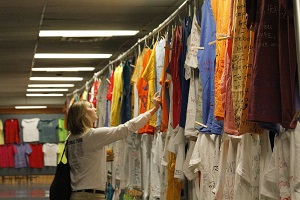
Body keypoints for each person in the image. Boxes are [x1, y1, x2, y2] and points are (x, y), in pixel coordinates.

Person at [66, 92, 162, 200]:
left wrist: (102, 157)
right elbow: (126, 128)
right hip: (92, 196)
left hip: (76, 194)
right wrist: (154, 109)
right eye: (90, 107)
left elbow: (83, 159)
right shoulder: (92, 135)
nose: (95, 109)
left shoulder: (70, 139)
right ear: (82, 114)